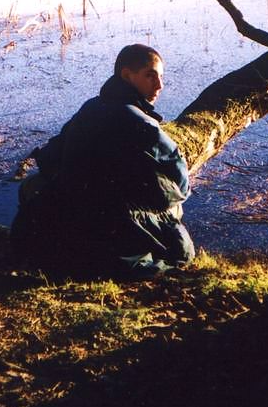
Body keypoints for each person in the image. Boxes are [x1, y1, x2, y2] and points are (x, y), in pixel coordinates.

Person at [10, 44, 195, 279]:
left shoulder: (91, 107)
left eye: (161, 76)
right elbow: (181, 181)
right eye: (150, 75)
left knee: (35, 186)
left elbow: (50, 155)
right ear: (127, 75)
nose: (159, 85)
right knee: (177, 221)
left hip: (74, 213)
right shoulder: (143, 124)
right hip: (113, 221)